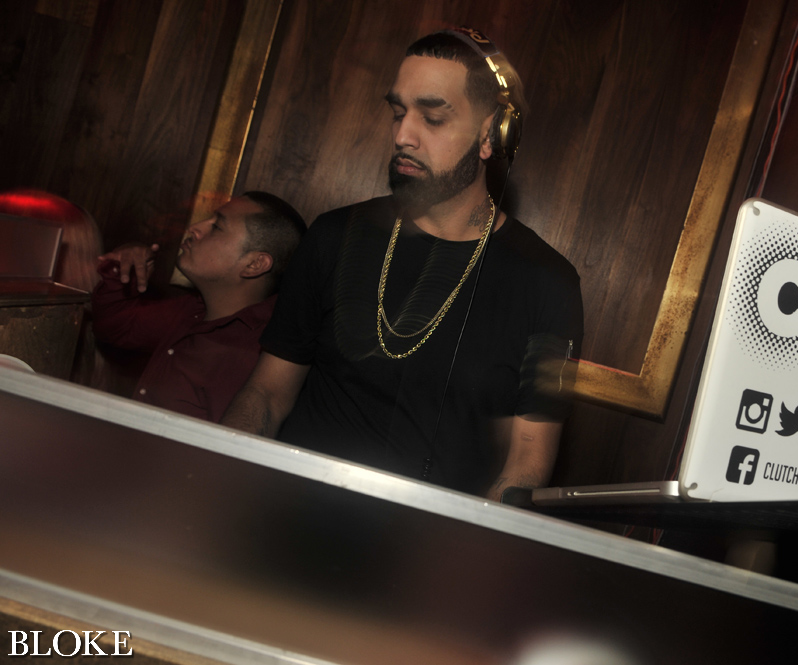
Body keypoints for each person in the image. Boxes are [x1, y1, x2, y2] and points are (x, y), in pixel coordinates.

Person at [223, 29, 584, 499]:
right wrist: (218, 484)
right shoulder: (333, 235)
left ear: (491, 134)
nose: (402, 136)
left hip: (428, 539)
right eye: (398, 112)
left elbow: (526, 465)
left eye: (432, 118)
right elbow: (267, 395)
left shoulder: (548, 284)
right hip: (285, 511)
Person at [92, 191, 306, 422]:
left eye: (217, 227)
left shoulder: (259, 353)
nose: (194, 228)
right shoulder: (193, 310)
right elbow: (114, 327)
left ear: (254, 264)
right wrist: (125, 268)